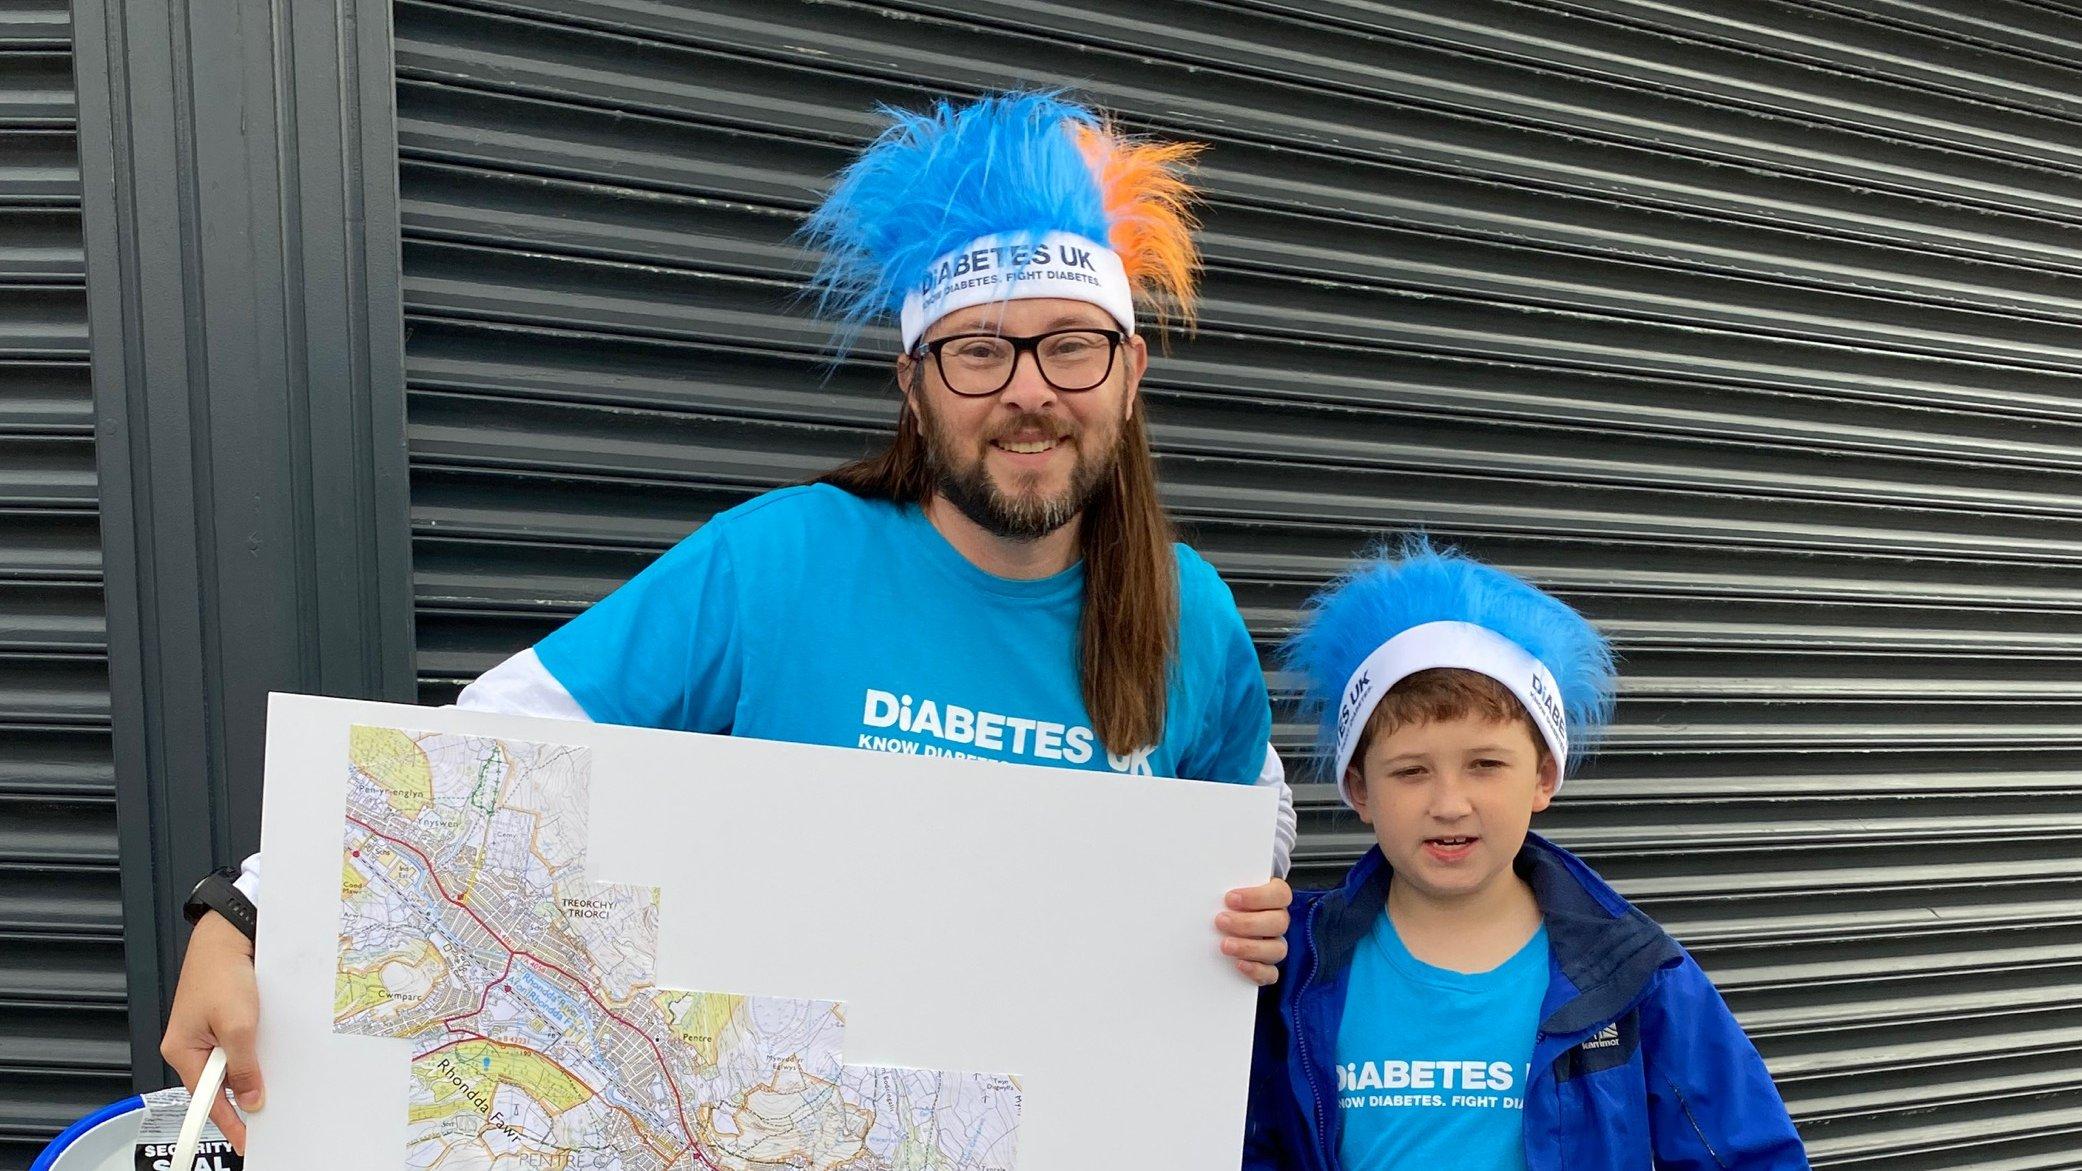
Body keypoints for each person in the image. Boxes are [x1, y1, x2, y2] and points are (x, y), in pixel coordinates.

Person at [163, 90, 1298, 1150]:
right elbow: (488, 742)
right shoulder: (778, 562)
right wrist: (246, 912)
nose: (1030, 390)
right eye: (978, 350)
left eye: (1070, 344)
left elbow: (1257, 819)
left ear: (1130, 370)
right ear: (914, 384)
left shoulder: (1189, 609)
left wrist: (1251, 914)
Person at [1244, 537, 1807, 1169]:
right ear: (1359, 789)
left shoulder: (1632, 974)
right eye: (1410, 772)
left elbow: (1749, 1155)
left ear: (1543, 777)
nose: (1449, 802)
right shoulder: (1288, 964)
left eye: (1485, 765)